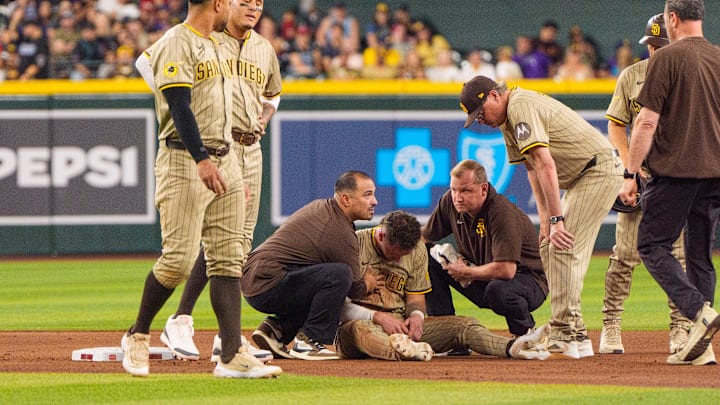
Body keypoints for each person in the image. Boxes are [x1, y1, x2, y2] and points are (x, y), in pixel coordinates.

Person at [120, 0, 281, 379]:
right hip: (187, 159)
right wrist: (202, 159)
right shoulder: (177, 40)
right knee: (177, 260)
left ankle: (229, 354)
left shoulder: (219, 44)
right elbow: (178, 103)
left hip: (230, 157)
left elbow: (253, 97)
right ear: (220, 4)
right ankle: (138, 333)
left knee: (228, 258)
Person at [460, 75, 623, 359]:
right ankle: (576, 332)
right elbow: (532, 168)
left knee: (563, 247)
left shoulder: (520, 106)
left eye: (481, 113)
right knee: (549, 245)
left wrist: (558, 220)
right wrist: (547, 218)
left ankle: (565, 332)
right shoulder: (507, 119)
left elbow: (546, 164)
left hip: (598, 170)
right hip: (581, 177)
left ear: (494, 96)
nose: (481, 121)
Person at [618, 0, 720, 366]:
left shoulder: (666, 58)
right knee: (699, 256)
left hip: (675, 171)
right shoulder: (718, 58)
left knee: (652, 245)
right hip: (714, 174)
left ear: (672, 19)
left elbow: (645, 123)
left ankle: (699, 314)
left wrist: (630, 173)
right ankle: (701, 347)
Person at [335, 210, 549, 361]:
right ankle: (402, 350)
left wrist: (417, 318)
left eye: (404, 255)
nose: (400, 260)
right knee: (361, 330)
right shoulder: (352, 245)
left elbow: (416, 298)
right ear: (381, 234)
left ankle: (514, 347)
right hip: (357, 326)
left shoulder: (417, 249)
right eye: (395, 254)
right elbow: (338, 306)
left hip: (400, 325)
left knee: (463, 326)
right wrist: (378, 317)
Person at [600, 13, 693, 357]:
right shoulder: (632, 76)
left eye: (661, 45)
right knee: (624, 256)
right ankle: (610, 326)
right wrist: (630, 167)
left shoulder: (691, 76)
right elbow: (615, 125)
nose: (655, 51)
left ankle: (680, 330)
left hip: (677, 178)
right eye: (651, 45)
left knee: (678, 257)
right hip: (641, 178)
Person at [243, 171, 380, 360]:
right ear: (346, 199)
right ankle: (308, 341)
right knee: (340, 275)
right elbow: (355, 289)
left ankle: (275, 331)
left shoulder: (323, 207)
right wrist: (369, 283)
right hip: (267, 284)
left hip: (258, 279)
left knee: (323, 279)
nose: (374, 201)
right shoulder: (339, 231)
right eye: (368, 195)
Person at [422, 160, 548, 340]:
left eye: (465, 190)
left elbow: (506, 270)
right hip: (481, 276)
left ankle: (526, 334)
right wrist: (387, 243)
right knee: (426, 256)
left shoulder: (501, 212)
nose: (457, 197)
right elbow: (424, 237)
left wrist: (467, 272)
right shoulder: (450, 203)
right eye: (454, 190)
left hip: (527, 282)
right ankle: (446, 336)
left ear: (483, 189)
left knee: (499, 289)